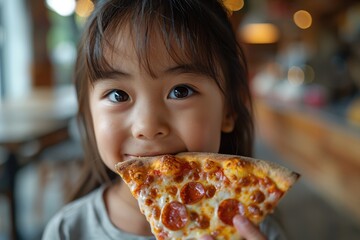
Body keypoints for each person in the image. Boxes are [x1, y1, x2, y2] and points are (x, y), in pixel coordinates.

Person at [42, 0, 287, 239]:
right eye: (118, 95)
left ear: (229, 110)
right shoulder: (67, 231)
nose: (147, 127)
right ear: (89, 114)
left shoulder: (256, 231)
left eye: (180, 91)